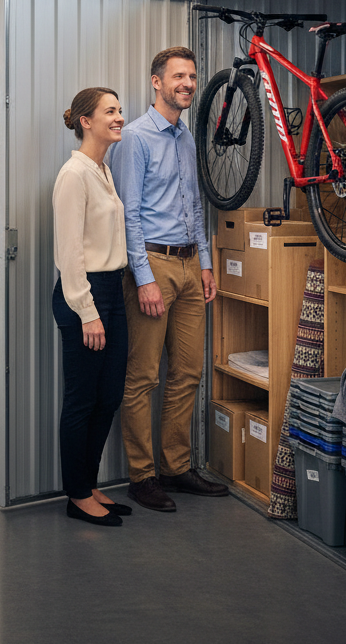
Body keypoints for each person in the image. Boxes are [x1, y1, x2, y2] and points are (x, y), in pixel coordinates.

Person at [108, 46, 228, 512]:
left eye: (192, 76)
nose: (188, 84)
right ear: (156, 82)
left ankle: (176, 467)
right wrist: (143, 278)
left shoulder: (186, 138)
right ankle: (142, 476)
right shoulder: (135, 138)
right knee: (142, 377)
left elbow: (194, 204)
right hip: (153, 265)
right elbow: (129, 214)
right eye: (179, 76)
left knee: (188, 372)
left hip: (190, 265)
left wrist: (205, 263)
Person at [52, 88, 131, 528]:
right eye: (110, 111)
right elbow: (70, 254)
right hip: (84, 294)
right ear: (86, 121)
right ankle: (77, 494)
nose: (119, 117)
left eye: (120, 111)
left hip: (112, 291)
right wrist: (87, 311)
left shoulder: (103, 170)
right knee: (82, 400)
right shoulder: (74, 174)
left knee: (109, 395)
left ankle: (90, 482)